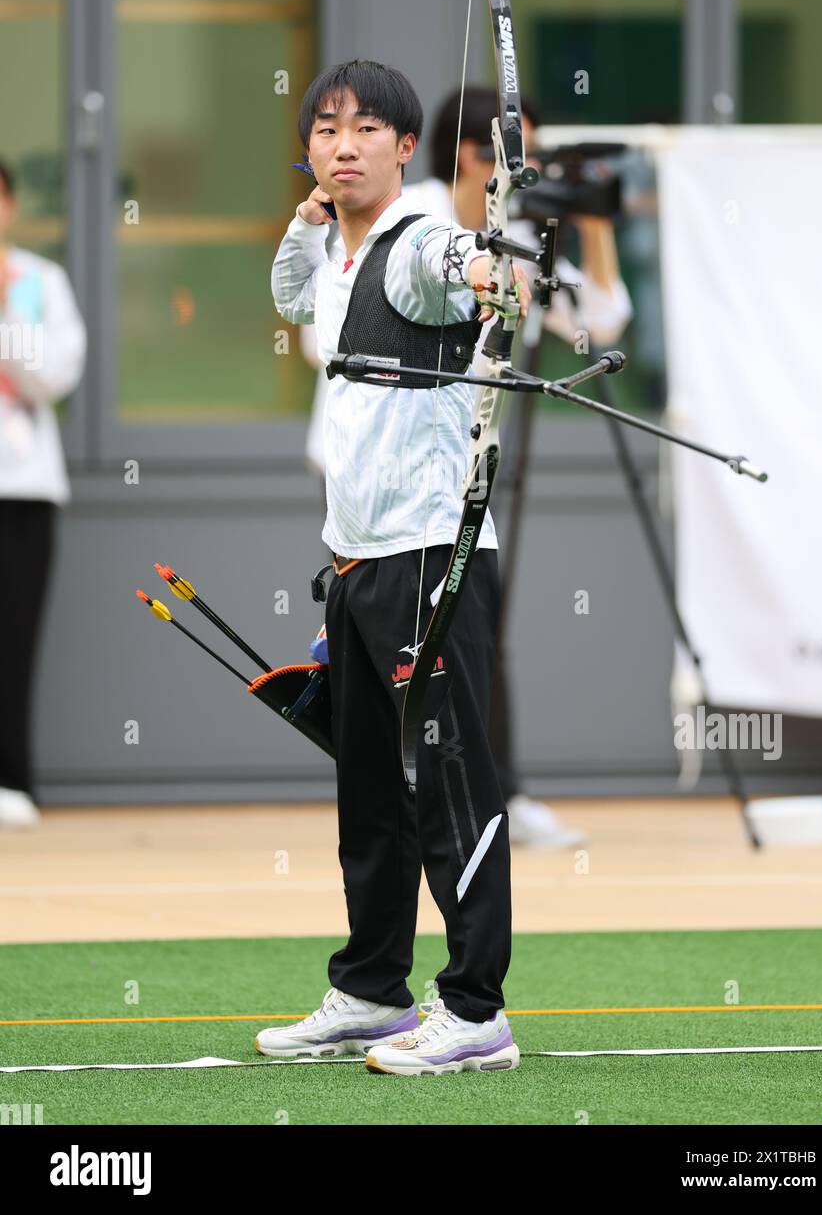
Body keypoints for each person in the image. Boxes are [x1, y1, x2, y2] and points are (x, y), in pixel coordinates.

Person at [258, 59, 528, 1077]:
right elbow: (289, 291)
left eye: (365, 129)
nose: (343, 144)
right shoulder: (331, 251)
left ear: (404, 147)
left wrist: (492, 263)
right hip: (359, 560)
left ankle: (473, 1009)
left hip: (430, 554)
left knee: (447, 781)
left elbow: (469, 265)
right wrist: (307, 217)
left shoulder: (417, 241)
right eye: (324, 129)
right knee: (367, 785)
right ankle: (372, 988)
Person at [301, 85, 633, 847]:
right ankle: (408, 809)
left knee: (467, 639)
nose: (530, 167)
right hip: (374, 477)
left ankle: (491, 799)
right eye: (517, 153)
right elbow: (358, 303)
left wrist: (587, 222)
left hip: (453, 477)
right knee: (391, 660)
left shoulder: (511, 225)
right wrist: (484, 272)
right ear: (476, 153)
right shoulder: (405, 210)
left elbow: (599, 323)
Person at [0, 159, 87, 829]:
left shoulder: (35, 281)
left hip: (21, 487)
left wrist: (5, 308)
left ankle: (10, 780)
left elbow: (47, 379)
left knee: (14, 634)